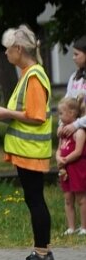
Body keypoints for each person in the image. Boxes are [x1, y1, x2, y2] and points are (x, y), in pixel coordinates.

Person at [0, 25, 55, 260]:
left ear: (18, 49)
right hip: (27, 150)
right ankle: (43, 251)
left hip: (31, 150)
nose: (6, 55)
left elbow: (37, 116)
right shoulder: (29, 74)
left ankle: (41, 254)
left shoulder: (33, 76)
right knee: (34, 199)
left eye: (8, 50)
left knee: (36, 200)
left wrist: (8, 113)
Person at [56, 96, 86, 236]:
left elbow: (78, 151)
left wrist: (66, 159)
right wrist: (58, 158)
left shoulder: (79, 132)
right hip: (65, 169)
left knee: (81, 198)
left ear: (72, 113)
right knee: (68, 198)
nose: (59, 117)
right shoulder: (63, 133)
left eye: (62, 113)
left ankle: (84, 227)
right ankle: (71, 227)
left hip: (77, 168)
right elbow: (58, 149)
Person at [56, 36, 86, 138]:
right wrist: (61, 123)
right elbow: (66, 102)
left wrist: (76, 124)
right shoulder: (74, 77)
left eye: (76, 54)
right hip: (74, 134)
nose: (73, 57)